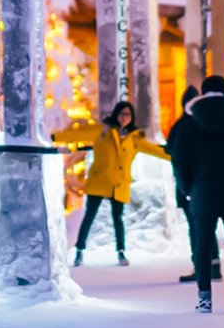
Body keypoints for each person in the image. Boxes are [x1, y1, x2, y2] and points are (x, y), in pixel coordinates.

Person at [169, 74, 224, 314]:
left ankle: (204, 299)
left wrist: (189, 189)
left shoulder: (189, 123)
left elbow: (179, 159)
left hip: (203, 189)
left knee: (202, 245)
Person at [55, 99, 168, 267]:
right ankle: (80, 251)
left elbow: (155, 150)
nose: (124, 117)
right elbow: (78, 134)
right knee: (89, 216)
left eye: (128, 114)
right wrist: (55, 137)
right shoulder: (103, 130)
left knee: (118, 218)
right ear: (116, 115)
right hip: (100, 180)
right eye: (122, 114)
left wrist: (176, 156)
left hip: (119, 183)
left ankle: (121, 252)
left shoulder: (134, 138)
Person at [166, 86, 220, 283]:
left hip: (190, 184)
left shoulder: (183, 126)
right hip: (207, 182)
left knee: (196, 227)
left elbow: (172, 149)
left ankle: (201, 266)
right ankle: (213, 265)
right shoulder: (205, 122)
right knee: (206, 226)